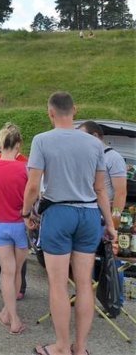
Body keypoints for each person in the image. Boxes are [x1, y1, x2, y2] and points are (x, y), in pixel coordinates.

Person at [23, 92, 115, 355]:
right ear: (75, 110)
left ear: (50, 112)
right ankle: (81, 348)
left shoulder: (42, 140)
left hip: (58, 213)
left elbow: (32, 185)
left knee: (59, 283)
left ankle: (61, 346)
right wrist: (109, 223)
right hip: (88, 215)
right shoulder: (94, 144)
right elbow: (100, 189)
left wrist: (26, 212)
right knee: (85, 283)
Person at [0, 123, 29, 335]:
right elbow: (32, 196)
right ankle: (8, 313)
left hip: (0, 226)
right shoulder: (25, 169)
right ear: (18, 144)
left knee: (7, 273)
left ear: (1, 144)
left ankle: (12, 317)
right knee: (16, 271)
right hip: (20, 224)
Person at [78, 120, 128, 307]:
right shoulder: (88, 157)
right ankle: (86, 297)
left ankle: (114, 301)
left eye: (83, 136)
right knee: (86, 257)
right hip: (88, 215)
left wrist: (113, 221)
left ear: (96, 136)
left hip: (105, 217)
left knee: (111, 259)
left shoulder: (113, 158)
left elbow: (121, 192)